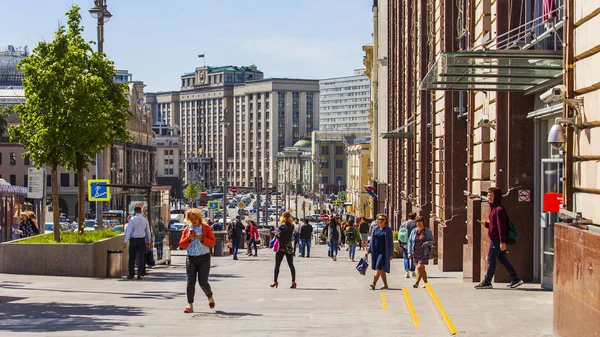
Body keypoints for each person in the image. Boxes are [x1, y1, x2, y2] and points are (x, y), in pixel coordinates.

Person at [475, 187, 524, 289]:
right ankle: (515, 279)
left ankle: (487, 281)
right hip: (496, 239)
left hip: (497, 240)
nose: (489, 198)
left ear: (497, 197)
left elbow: (501, 227)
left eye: (491, 196)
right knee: (502, 259)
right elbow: (495, 225)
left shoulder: (499, 210)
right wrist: (487, 224)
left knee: (491, 260)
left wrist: (502, 241)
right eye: (488, 195)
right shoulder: (494, 209)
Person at [180, 208, 216, 313]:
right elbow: (181, 244)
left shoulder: (206, 228)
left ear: (199, 218)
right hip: (191, 257)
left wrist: (202, 238)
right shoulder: (187, 229)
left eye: (195, 218)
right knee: (190, 282)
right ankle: (189, 304)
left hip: (204, 257)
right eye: (191, 218)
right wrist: (188, 238)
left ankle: (210, 296)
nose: (193, 220)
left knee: (203, 282)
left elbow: (213, 242)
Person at [367, 214, 394, 290]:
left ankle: (373, 283)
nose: (380, 221)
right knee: (381, 268)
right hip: (375, 251)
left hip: (383, 252)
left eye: (382, 219)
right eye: (379, 219)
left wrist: (391, 253)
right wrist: (368, 250)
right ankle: (385, 284)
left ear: (385, 221)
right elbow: (372, 240)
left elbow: (390, 242)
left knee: (378, 266)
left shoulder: (388, 230)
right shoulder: (375, 229)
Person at [124, 206, 151, 280]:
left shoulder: (132, 219)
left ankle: (131, 274)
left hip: (133, 240)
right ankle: (139, 274)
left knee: (132, 258)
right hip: (142, 240)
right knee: (141, 258)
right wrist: (148, 241)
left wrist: (125, 241)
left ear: (135, 211)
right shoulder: (145, 220)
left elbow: (128, 230)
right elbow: (148, 232)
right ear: (141, 211)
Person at [271, 212, 296, 289]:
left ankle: (275, 281)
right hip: (289, 247)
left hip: (281, 247)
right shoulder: (292, 226)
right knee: (291, 265)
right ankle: (293, 282)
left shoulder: (282, 226)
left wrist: (275, 233)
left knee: (277, 265)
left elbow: (279, 236)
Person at [407, 216, 434, 288]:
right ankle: (426, 283)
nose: (419, 223)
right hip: (415, 252)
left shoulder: (427, 231)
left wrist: (427, 243)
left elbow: (432, 241)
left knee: (419, 267)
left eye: (420, 221)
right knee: (421, 269)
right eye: (417, 222)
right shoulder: (414, 231)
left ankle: (416, 283)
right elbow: (410, 242)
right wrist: (409, 252)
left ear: (423, 222)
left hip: (424, 252)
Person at [399, 212, 417, 278]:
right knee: (412, 257)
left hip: (405, 242)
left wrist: (400, 242)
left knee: (406, 257)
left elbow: (400, 234)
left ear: (408, 217)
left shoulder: (404, 224)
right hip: (413, 243)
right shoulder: (416, 224)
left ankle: (407, 271)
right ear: (415, 217)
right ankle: (413, 271)